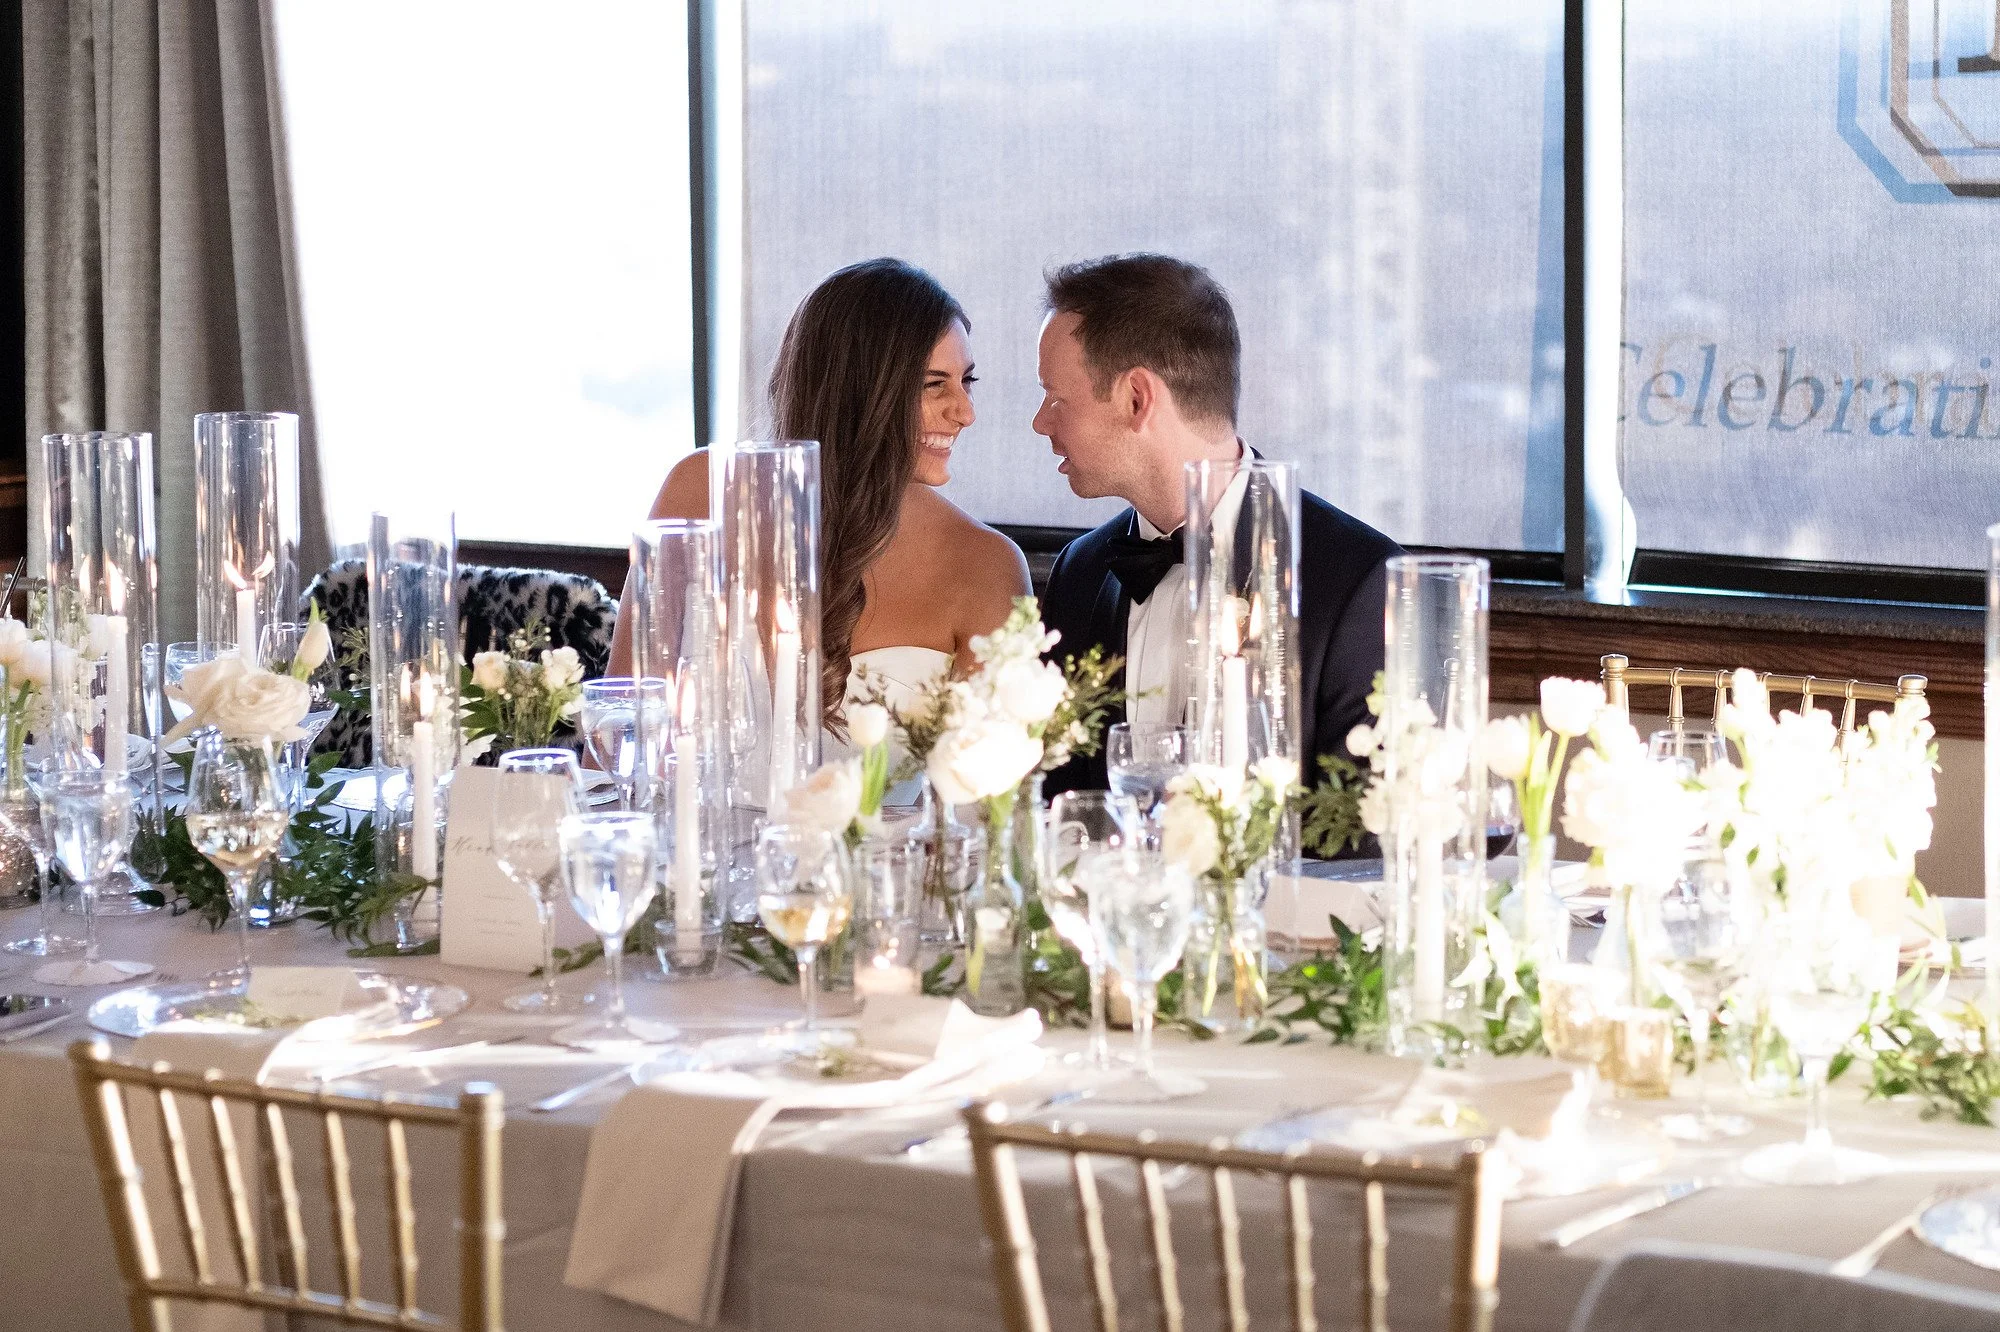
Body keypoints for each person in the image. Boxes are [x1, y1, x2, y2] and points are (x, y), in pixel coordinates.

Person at [609, 257, 1028, 738]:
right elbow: (622, 723)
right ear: (861, 391)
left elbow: (990, 801)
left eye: (966, 381)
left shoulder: (984, 563)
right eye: (935, 385)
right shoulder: (701, 491)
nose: (965, 412)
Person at [1032, 252, 1399, 794]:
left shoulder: (1356, 582)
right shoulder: (1081, 574)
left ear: (1137, 398)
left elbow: (1360, 840)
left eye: (1057, 397)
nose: (1040, 422)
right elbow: (1061, 808)